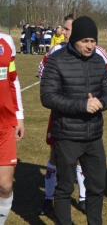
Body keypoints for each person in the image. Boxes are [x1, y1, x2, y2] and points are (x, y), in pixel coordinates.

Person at [37, 14, 107, 215]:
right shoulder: (55, 59)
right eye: (85, 41)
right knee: (64, 187)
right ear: (75, 38)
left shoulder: (98, 60)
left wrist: (101, 102)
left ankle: (90, 211)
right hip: (66, 133)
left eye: (93, 41)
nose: (90, 45)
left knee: (97, 187)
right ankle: (51, 203)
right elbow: (47, 96)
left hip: (93, 135)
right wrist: (82, 105)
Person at [0, 32, 25, 224]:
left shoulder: (6, 41)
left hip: (4, 124)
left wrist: (19, 116)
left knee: (6, 186)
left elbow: (12, 79)